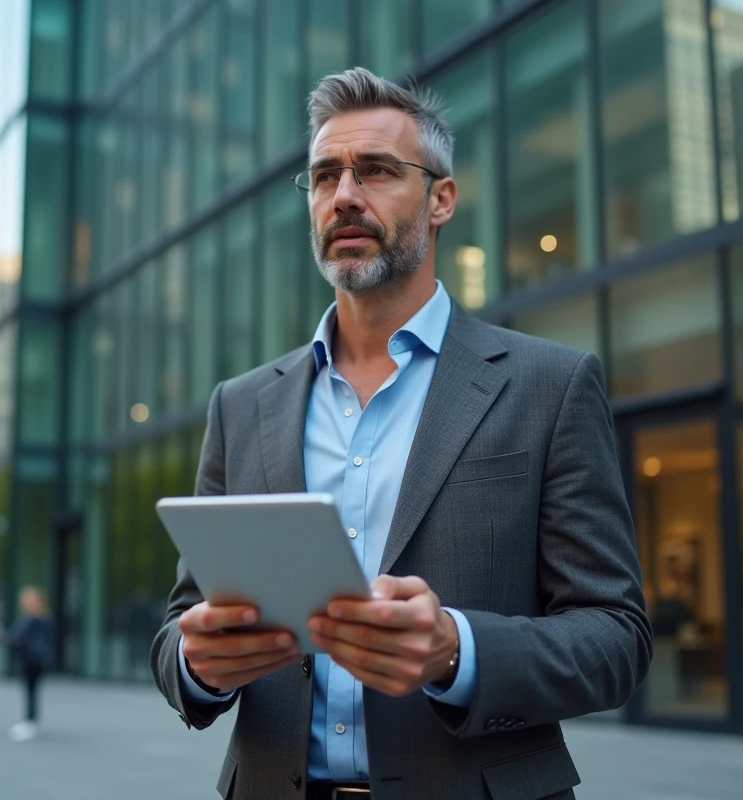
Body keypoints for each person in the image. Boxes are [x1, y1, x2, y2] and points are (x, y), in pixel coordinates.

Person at [150, 68, 652, 799]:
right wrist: (198, 665)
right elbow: (177, 629)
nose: (345, 195)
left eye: (377, 170)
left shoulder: (550, 386)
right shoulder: (243, 405)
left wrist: (458, 650)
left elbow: (616, 638)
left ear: (441, 197)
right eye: (325, 177)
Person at [7, 586, 54, 742]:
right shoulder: (40, 617)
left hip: (32, 659)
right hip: (33, 658)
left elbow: (21, 637)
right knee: (31, 690)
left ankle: (30, 722)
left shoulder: (34, 619)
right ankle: (31, 721)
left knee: (31, 690)